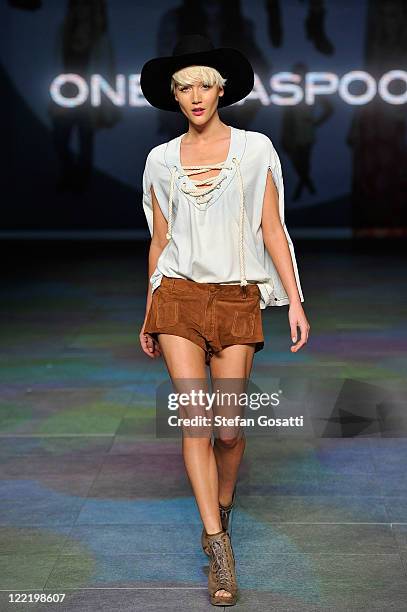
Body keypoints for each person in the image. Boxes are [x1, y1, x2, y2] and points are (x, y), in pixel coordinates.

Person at [139, 34, 310, 607]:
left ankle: (224, 508)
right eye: (183, 85)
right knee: (196, 424)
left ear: (222, 90)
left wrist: (296, 299)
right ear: (174, 94)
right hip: (178, 299)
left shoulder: (256, 149)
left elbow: (272, 228)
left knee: (229, 430)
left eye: (204, 84)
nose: (194, 95)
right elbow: (159, 240)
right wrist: (148, 310)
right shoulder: (160, 160)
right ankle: (218, 550)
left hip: (237, 298)